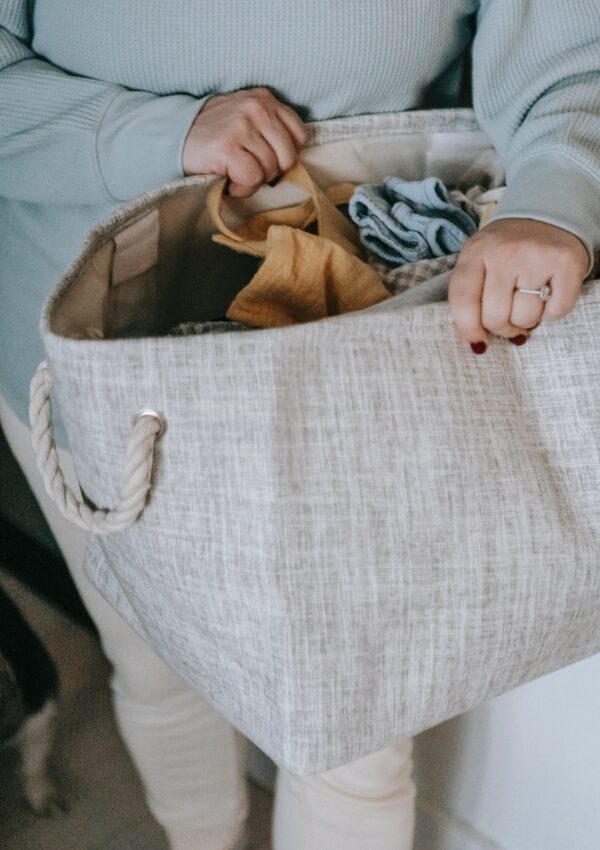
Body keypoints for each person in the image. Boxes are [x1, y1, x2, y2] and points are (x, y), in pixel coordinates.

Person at [0, 1, 598, 848]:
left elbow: (568, 58)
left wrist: (554, 201)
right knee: (157, 667)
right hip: (91, 358)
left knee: (360, 732)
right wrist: (147, 132)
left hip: (354, 348)